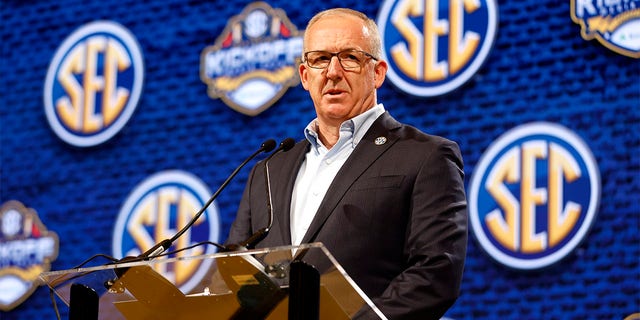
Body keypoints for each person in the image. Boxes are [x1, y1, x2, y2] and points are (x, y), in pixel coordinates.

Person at [225, 8, 468, 320]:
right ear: (304, 75)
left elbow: (435, 274)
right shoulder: (269, 170)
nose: (333, 71)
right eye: (320, 59)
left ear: (378, 72)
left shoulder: (425, 156)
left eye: (350, 57)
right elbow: (235, 271)